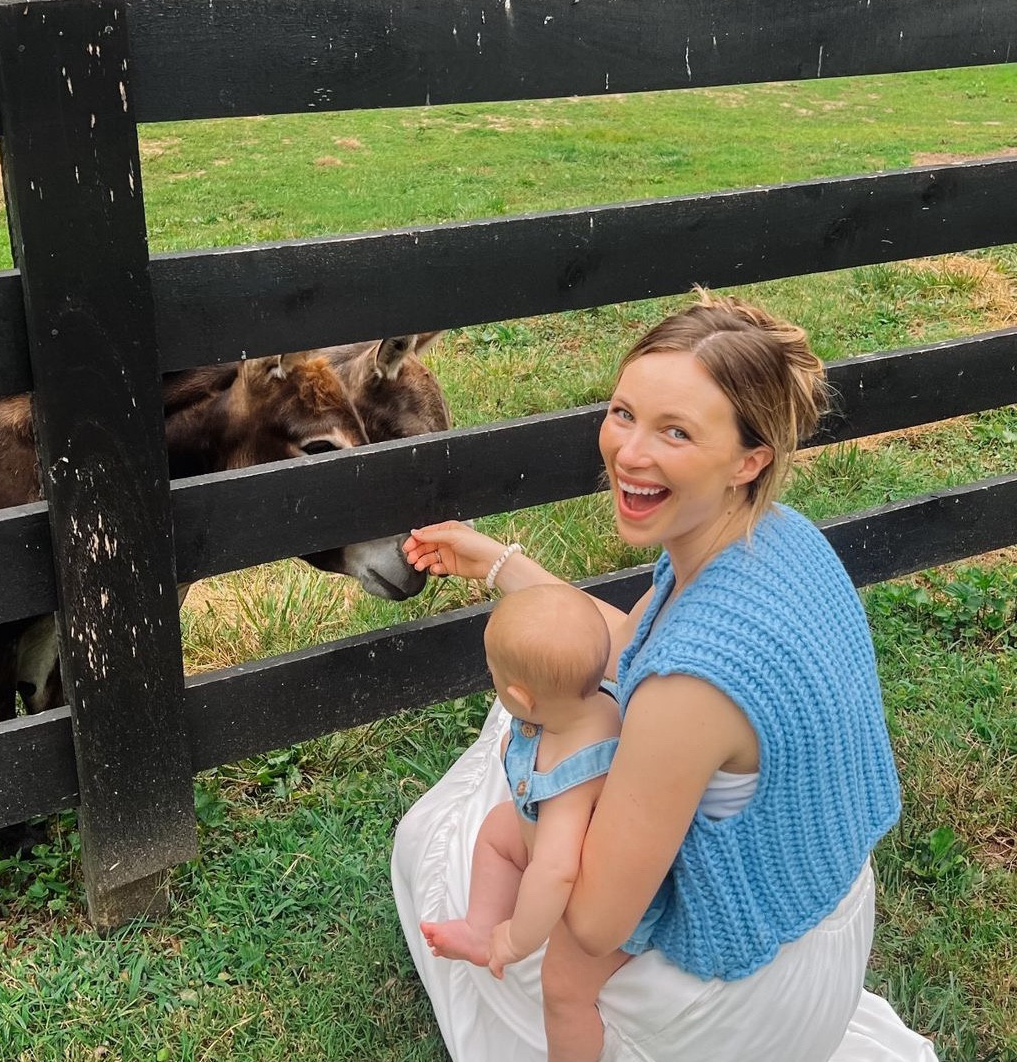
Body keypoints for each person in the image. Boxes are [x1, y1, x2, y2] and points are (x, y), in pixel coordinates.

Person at [393, 291, 939, 1062]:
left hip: (746, 997)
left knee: (448, 837)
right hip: (810, 904)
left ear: (749, 458)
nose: (630, 452)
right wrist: (500, 565)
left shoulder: (691, 689)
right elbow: (631, 642)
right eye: (623, 413)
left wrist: (529, 845)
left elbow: (595, 924)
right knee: (555, 715)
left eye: (675, 431)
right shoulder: (778, 535)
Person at [419, 583, 622, 1062]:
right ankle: (477, 926)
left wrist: (516, 938)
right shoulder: (592, 701)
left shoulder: (570, 775)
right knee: (496, 830)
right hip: (554, 841)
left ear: (520, 697)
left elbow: (557, 870)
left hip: (595, 890)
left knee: (564, 993)